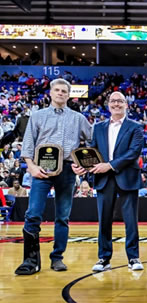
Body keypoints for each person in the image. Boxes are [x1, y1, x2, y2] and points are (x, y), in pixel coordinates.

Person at [15, 78, 92, 275]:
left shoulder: (78, 118)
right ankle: (30, 261)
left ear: (68, 95)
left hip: (67, 170)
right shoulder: (38, 116)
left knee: (63, 217)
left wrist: (83, 164)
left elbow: (92, 141)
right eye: (57, 90)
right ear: (50, 93)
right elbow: (28, 144)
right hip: (41, 169)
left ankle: (57, 258)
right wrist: (30, 167)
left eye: (64, 91)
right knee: (33, 213)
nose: (60, 93)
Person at [73, 91, 145, 272]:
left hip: (127, 176)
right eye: (113, 101)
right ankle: (104, 258)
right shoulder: (98, 127)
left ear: (126, 104)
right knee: (104, 220)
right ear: (108, 105)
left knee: (131, 220)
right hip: (103, 178)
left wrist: (110, 165)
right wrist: (83, 167)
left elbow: (134, 152)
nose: (116, 104)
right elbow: (92, 152)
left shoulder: (135, 126)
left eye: (120, 101)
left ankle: (133, 257)